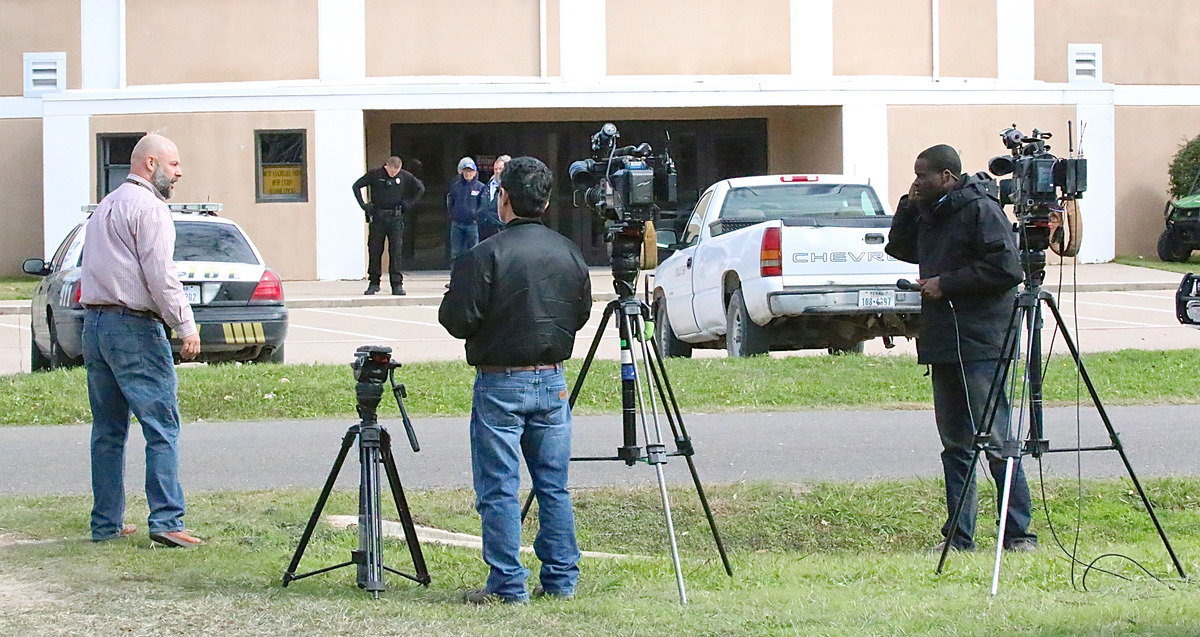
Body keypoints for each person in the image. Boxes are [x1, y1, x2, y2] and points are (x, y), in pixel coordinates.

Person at [439, 156, 592, 604]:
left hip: (501, 381)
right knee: (553, 486)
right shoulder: (569, 251)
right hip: (552, 379)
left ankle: (508, 585)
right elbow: (580, 312)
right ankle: (562, 580)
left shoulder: (484, 254)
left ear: (503, 198)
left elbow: (458, 321)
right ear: (544, 201)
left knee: (499, 489)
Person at [886, 144, 1038, 553]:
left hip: (981, 340)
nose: (916, 181)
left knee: (997, 437)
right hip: (943, 339)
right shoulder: (930, 210)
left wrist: (946, 283)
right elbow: (899, 249)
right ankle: (959, 537)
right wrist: (907, 205)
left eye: (923, 175)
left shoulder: (980, 209)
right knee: (956, 442)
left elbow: (1007, 269)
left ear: (948, 177)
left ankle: (1019, 533)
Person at [78, 133, 203, 548]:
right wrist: (186, 325)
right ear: (150, 164)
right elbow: (161, 275)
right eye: (174, 164)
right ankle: (167, 521)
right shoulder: (149, 208)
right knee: (161, 425)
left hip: (94, 327)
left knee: (108, 431)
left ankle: (106, 524)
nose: (180, 171)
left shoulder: (107, 205)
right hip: (132, 327)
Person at [352, 156, 425, 295]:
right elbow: (356, 186)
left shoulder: (405, 176)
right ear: (387, 166)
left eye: (396, 171)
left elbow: (420, 188)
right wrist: (364, 206)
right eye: (392, 171)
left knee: (396, 251)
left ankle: (396, 284)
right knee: (375, 250)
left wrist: (408, 204)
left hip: (395, 218)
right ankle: (374, 282)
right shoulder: (375, 174)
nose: (394, 173)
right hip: (378, 217)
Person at [446, 157, 484, 261]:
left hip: (473, 224)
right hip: (457, 224)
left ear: (475, 172)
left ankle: (473, 276)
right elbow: (450, 202)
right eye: (466, 171)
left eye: (470, 171)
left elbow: (483, 205)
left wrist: (477, 217)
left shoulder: (480, 187)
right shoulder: (456, 186)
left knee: (474, 251)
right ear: (462, 172)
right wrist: (452, 215)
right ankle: (455, 275)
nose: (468, 174)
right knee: (456, 252)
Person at [477, 154, 511, 241]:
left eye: (500, 169)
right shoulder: (486, 186)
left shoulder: (511, 188)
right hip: (484, 231)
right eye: (496, 169)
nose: (497, 171)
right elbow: (478, 202)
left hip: (502, 231)